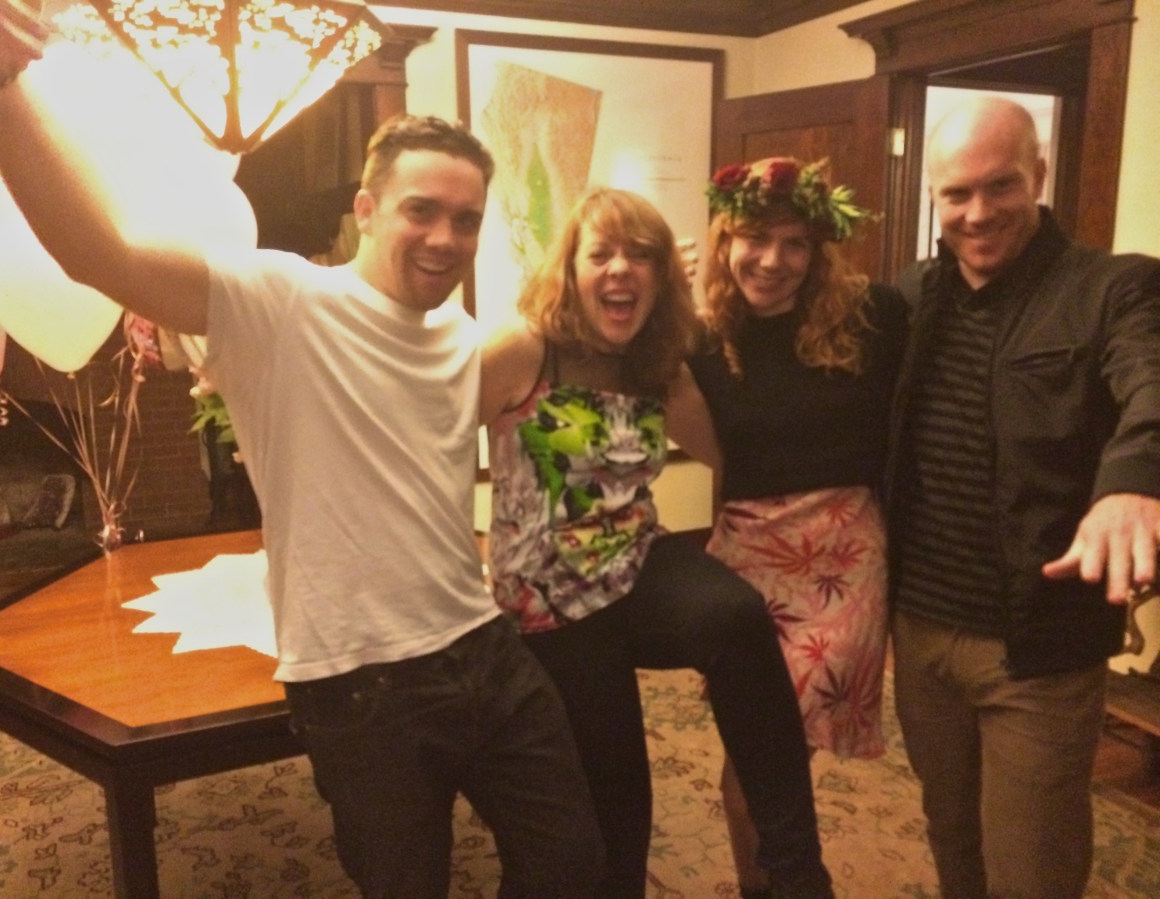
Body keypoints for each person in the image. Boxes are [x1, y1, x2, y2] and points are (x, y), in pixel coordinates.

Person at [0, 7, 607, 898]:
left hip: (484, 648)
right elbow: (97, 253)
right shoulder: (280, 299)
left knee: (573, 864)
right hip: (360, 687)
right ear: (366, 209)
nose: (444, 237)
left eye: (466, 219)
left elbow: (576, 351)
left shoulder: (465, 337)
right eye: (421, 210)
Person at [480, 186, 835, 899]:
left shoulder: (656, 363)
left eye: (641, 255)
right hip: (552, 598)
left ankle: (796, 870)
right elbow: (423, 443)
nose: (621, 269)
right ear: (570, 269)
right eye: (601, 254)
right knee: (619, 810)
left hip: (636, 560)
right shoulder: (524, 349)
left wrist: (811, 525)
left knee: (737, 616)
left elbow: (731, 456)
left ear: (661, 275)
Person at [887, 95, 1160, 899]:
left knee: (1031, 862)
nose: (977, 213)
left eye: (1000, 185)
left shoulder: (1115, 288)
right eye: (956, 193)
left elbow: (1152, 383)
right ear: (933, 196)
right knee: (951, 831)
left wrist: (1132, 482)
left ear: (1039, 175)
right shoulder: (910, 296)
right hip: (920, 631)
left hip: (1037, 648)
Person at [689, 157, 907, 899]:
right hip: (748, 562)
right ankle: (768, 885)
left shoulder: (875, 317)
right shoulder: (701, 338)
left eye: (795, 244)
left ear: (818, 251)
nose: (772, 260)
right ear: (725, 239)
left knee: (771, 755)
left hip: (844, 559)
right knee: (747, 756)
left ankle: (787, 880)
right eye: (755, 238)